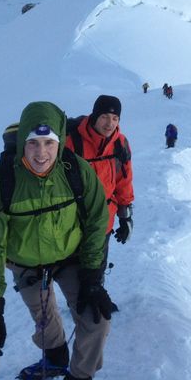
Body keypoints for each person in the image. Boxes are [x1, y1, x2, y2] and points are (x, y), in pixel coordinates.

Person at [0, 101, 120, 380]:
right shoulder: (0, 182)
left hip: (69, 257)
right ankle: (55, 357)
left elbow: (98, 220)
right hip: (25, 262)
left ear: (61, 142)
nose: (41, 153)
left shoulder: (77, 172)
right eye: (32, 143)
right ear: (21, 144)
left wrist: (92, 277)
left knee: (97, 321)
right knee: (43, 314)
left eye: (49, 143)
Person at [66, 95, 134, 289]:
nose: (109, 123)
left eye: (115, 119)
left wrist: (125, 217)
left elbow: (124, 181)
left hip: (104, 218)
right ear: (94, 116)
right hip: (74, 220)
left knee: (98, 264)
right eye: (105, 116)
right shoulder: (72, 143)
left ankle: (96, 295)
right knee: (72, 268)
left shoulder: (120, 144)